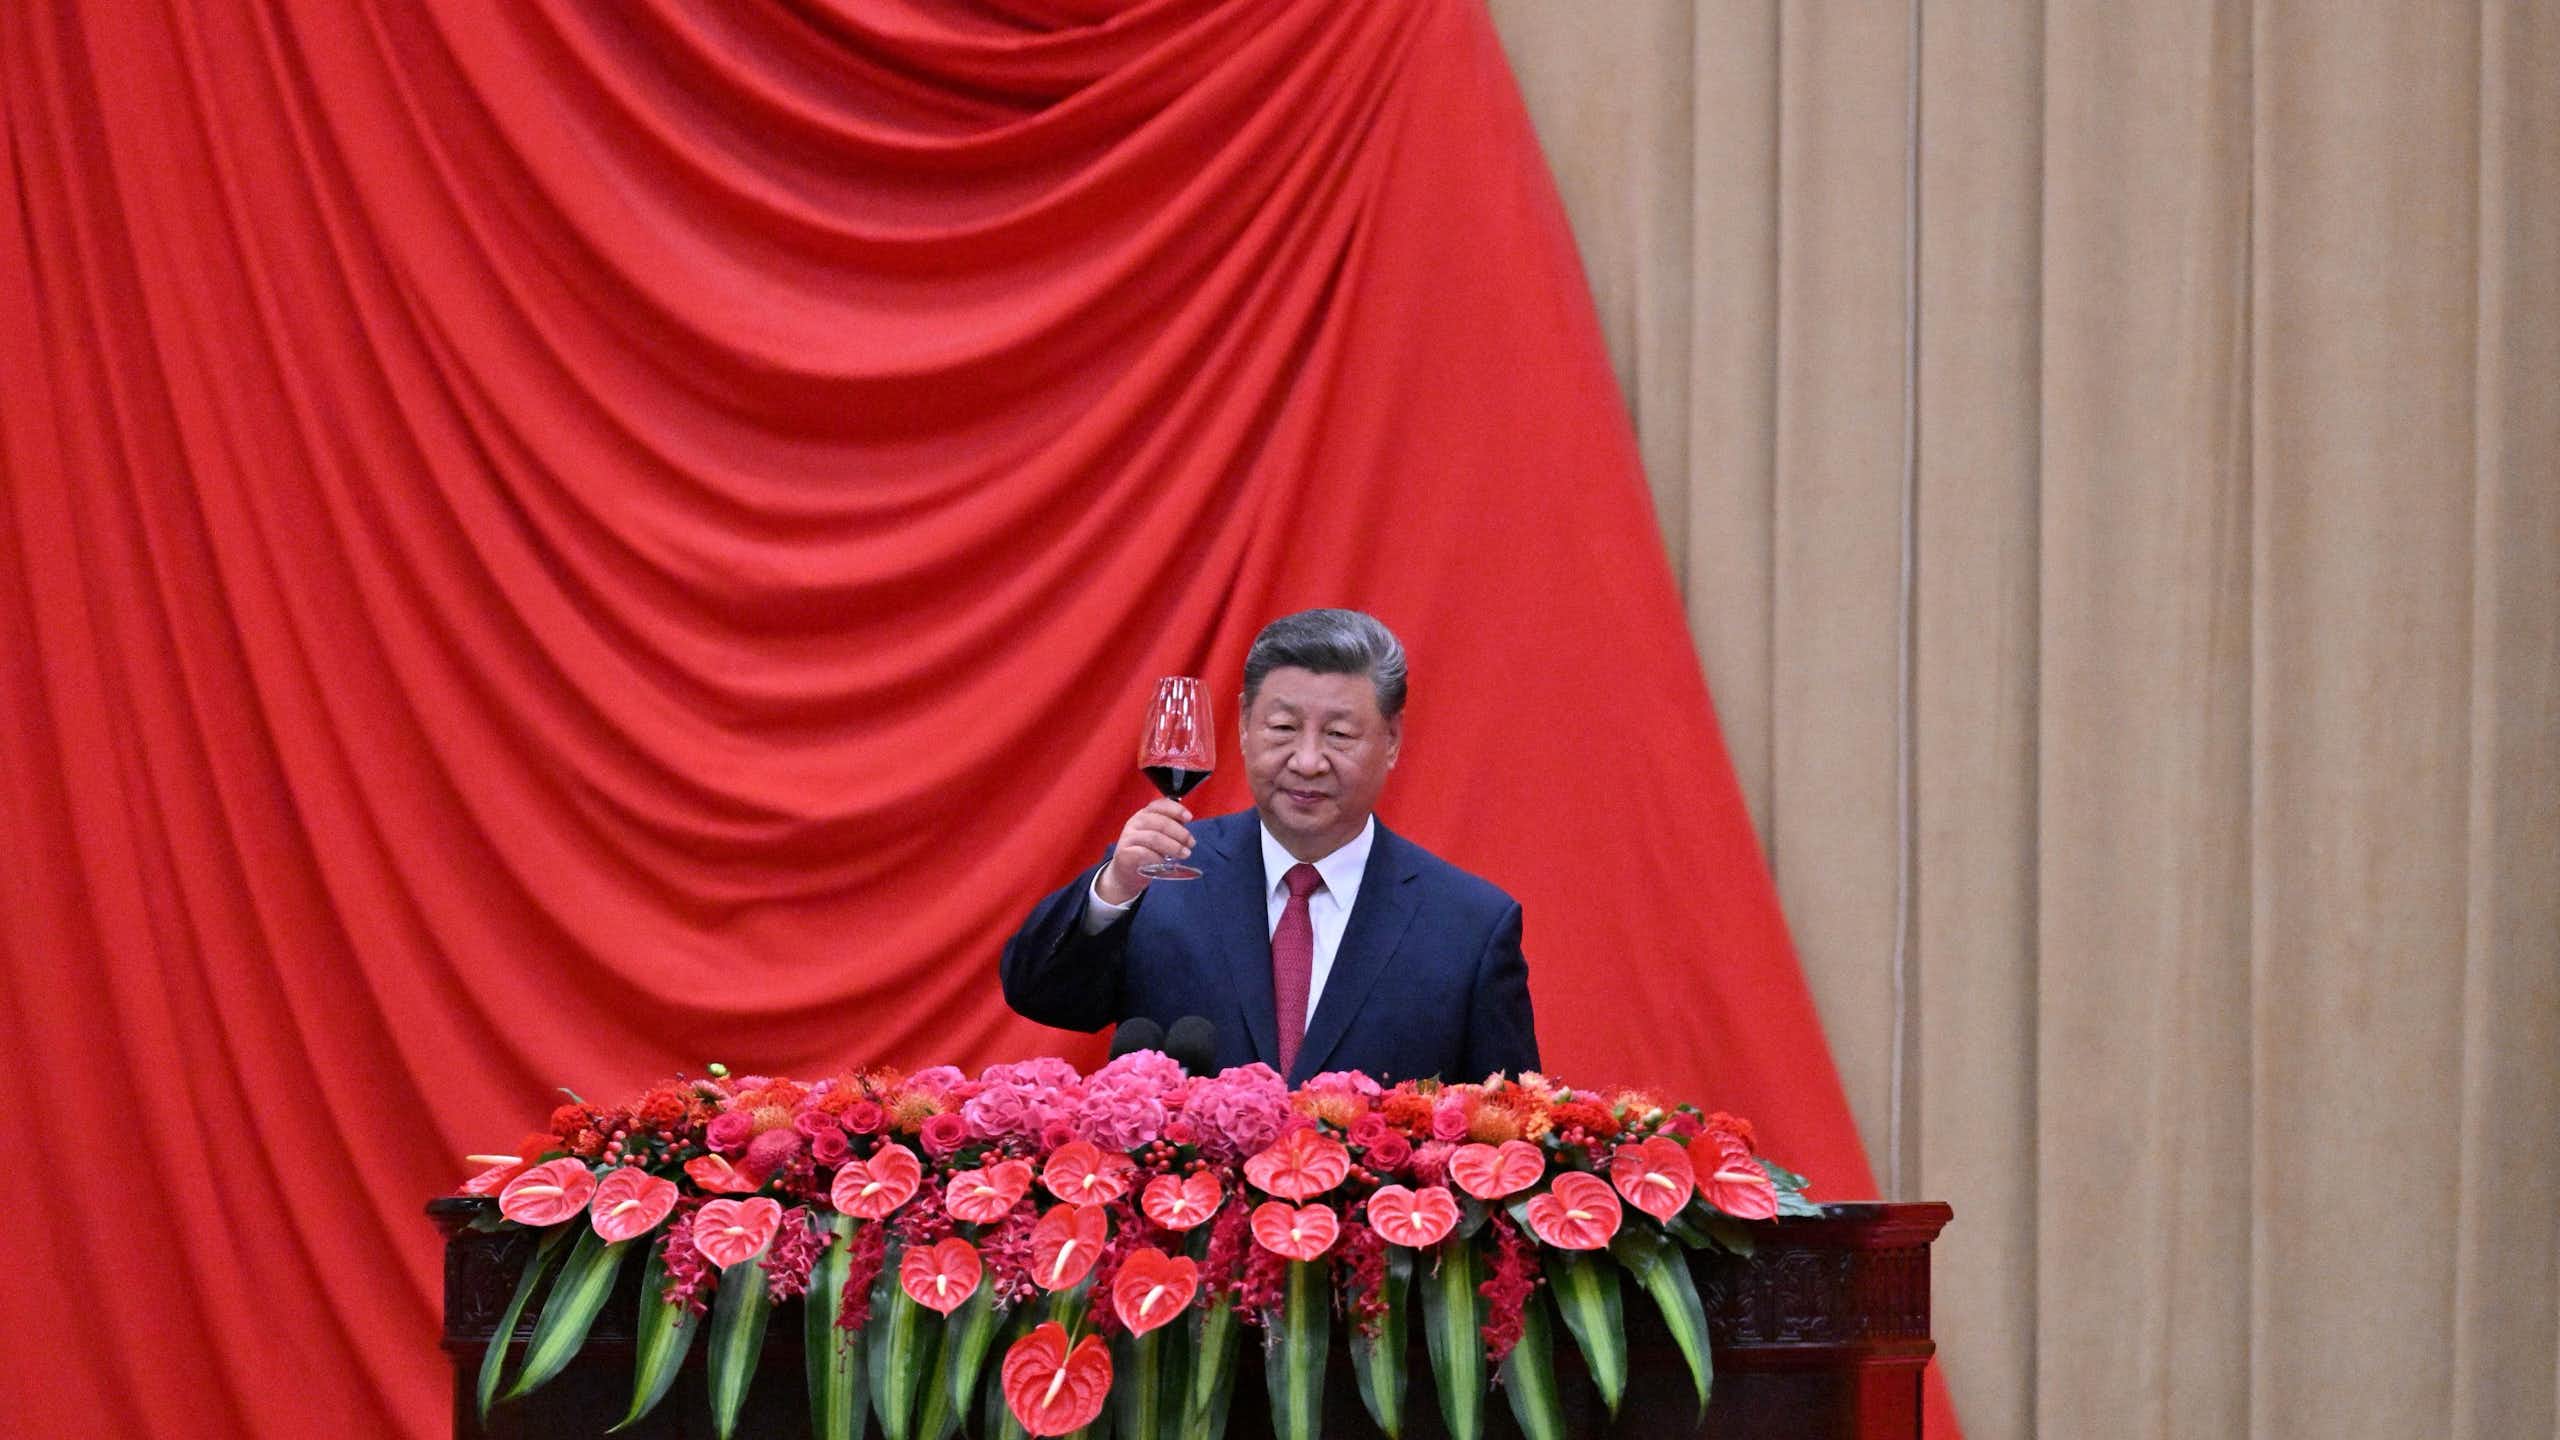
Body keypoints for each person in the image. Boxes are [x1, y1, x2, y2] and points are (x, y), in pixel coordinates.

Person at [1000, 609, 1538, 1085]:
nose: (1306, 761)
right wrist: (1114, 889)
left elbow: (1509, 1142)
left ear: (1392, 741)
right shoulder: (1159, 877)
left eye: (1339, 735)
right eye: (1282, 727)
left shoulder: (1469, 926)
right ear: (1242, 726)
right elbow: (1041, 995)